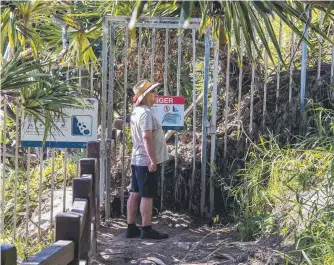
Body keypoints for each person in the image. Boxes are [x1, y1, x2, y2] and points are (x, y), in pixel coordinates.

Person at [126, 80, 169, 239]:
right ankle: (146, 228)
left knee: (135, 192)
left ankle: (131, 228)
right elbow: (146, 136)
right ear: (144, 96)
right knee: (147, 195)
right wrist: (152, 160)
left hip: (137, 159)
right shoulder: (145, 113)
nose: (156, 94)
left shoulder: (137, 112)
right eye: (152, 92)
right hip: (145, 160)